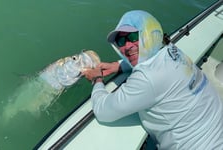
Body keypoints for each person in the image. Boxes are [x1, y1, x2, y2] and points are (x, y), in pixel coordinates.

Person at [82, 10, 223, 149]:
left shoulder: (147, 78)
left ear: (148, 34)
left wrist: (97, 79)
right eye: (121, 41)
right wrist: (118, 65)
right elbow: (150, 59)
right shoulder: (171, 50)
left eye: (132, 37)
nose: (126, 46)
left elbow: (103, 111)